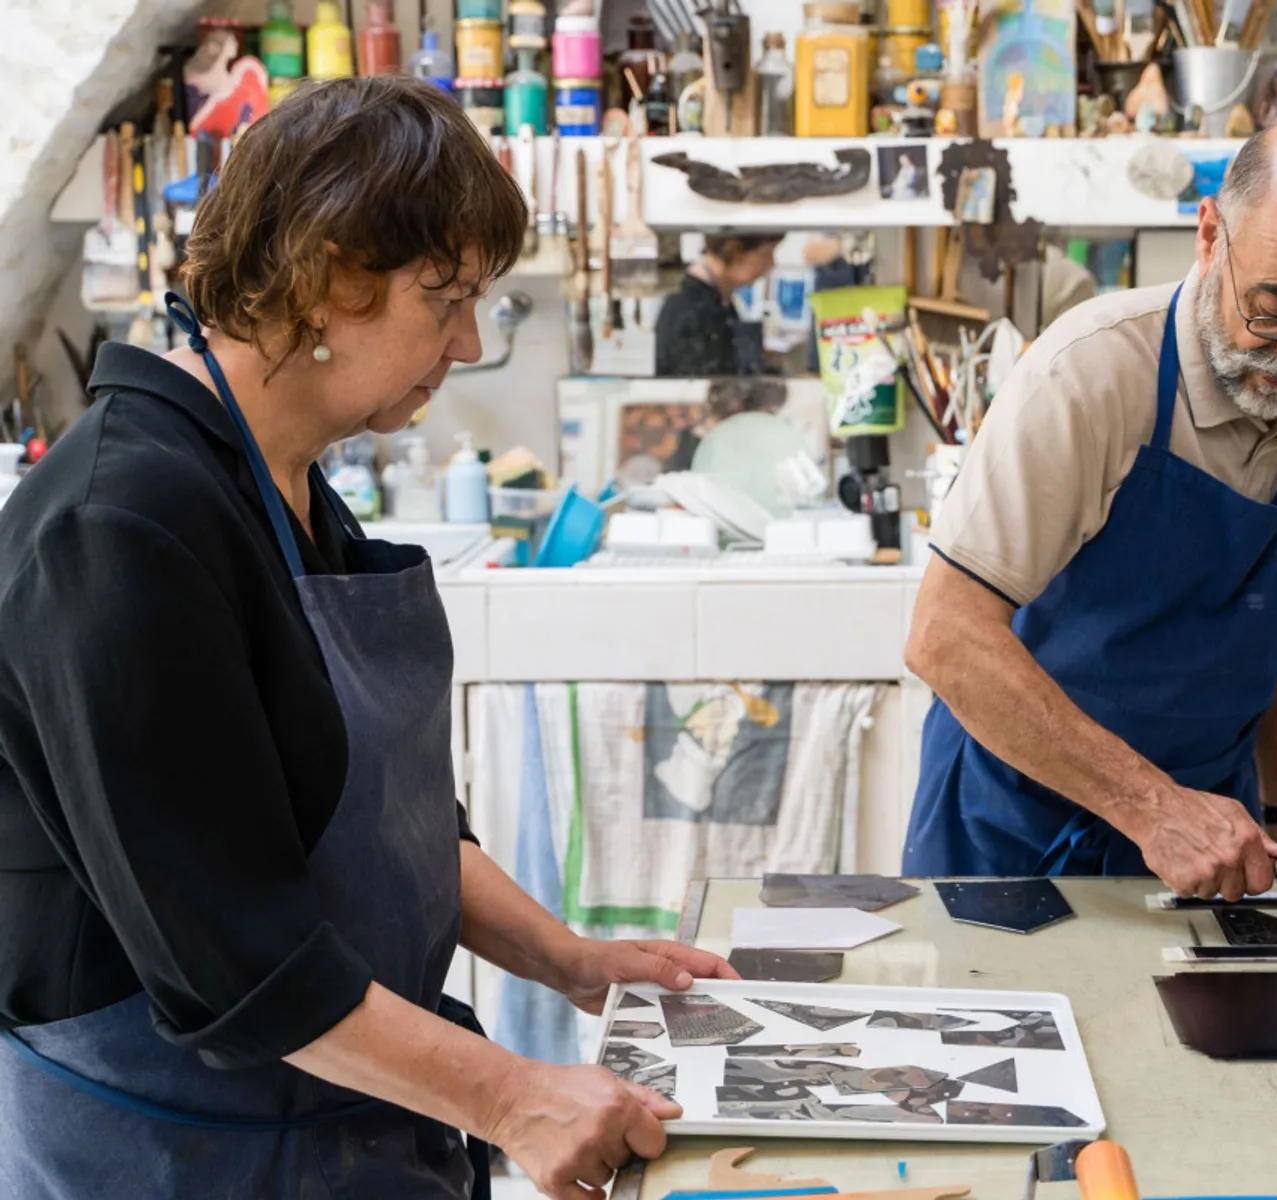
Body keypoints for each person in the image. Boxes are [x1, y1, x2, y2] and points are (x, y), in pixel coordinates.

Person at [0, 77, 734, 1200]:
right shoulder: (121, 527)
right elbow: (232, 960)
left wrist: (566, 957)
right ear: (329, 277)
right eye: (445, 299)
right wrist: (510, 1097)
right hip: (179, 1152)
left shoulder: (286, 486)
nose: (471, 340)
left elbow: (385, 827)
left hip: (343, 1121)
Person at [903, 119, 1277, 900]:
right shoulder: (1090, 375)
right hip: (1014, 833)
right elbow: (946, 637)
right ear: (1210, 234)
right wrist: (1151, 807)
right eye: (1274, 309)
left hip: (1210, 844)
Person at [653, 233, 783, 377]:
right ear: (734, 251)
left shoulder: (717, 298)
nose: (772, 263)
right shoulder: (693, 308)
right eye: (766, 254)